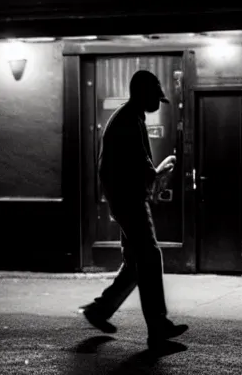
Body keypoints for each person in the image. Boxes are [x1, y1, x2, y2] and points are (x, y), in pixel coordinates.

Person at [79, 70, 188, 348]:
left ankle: (99, 310)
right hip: (130, 201)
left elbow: (120, 166)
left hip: (124, 200)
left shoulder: (129, 117)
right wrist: (164, 168)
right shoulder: (129, 121)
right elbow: (143, 167)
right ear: (143, 93)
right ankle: (158, 327)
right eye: (155, 97)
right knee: (149, 256)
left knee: (135, 263)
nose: (157, 103)